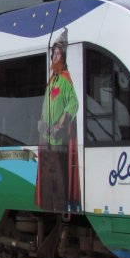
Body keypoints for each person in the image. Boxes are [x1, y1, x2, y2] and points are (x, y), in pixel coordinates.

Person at [37, 28, 80, 211]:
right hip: (45, 139)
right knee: (47, 179)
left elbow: (74, 103)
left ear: (63, 57)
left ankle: (59, 206)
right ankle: (48, 206)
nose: (55, 57)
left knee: (59, 178)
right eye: (53, 54)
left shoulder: (65, 80)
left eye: (57, 54)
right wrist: (41, 122)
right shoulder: (51, 82)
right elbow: (45, 106)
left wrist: (60, 123)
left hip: (58, 140)